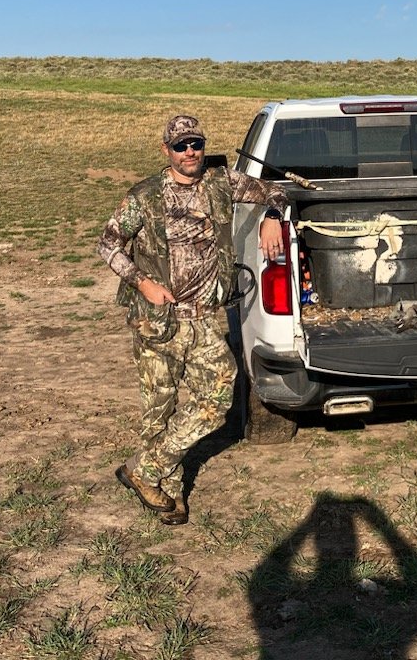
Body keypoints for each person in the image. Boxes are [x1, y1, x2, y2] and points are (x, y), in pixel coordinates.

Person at [97, 114, 288, 524]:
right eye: (181, 146)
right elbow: (108, 244)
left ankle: (143, 471)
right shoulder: (144, 196)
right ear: (166, 150)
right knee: (159, 410)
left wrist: (272, 216)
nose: (190, 152)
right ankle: (170, 491)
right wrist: (142, 282)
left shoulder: (222, 183)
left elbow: (278, 192)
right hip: (158, 322)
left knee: (217, 397)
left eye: (196, 144)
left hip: (202, 320)